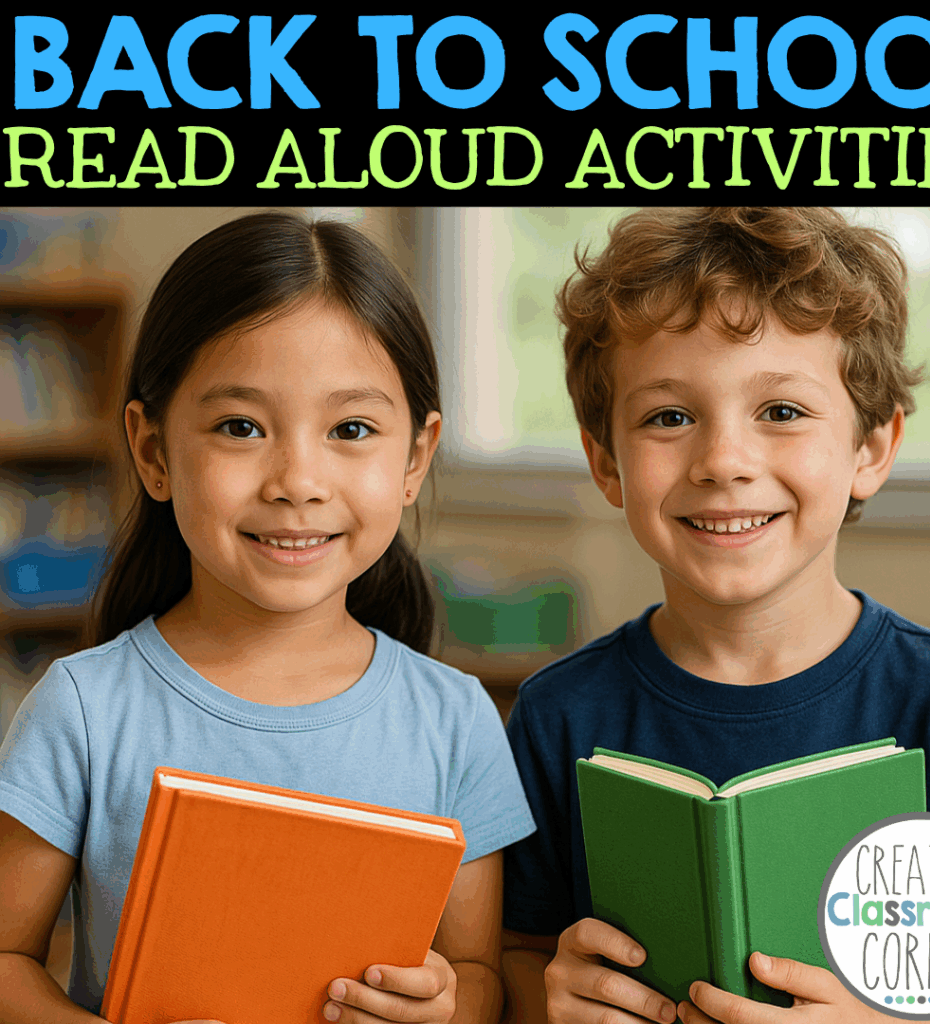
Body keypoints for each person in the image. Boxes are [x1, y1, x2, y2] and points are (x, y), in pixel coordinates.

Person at [0, 211, 535, 1024]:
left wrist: (444, 1008)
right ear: (153, 452)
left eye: (351, 429)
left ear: (414, 459)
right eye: (240, 427)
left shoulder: (456, 719)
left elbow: (478, 975)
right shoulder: (83, 708)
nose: (298, 480)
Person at [501, 207, 930, 1023]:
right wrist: (551, 998)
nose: (724, 463)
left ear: (871, 449)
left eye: (781, 412)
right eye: (669, 417)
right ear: (605, 460)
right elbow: (516, 959)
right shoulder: (557, 712)